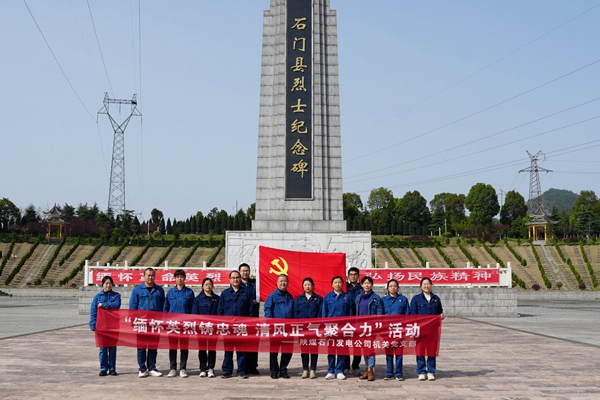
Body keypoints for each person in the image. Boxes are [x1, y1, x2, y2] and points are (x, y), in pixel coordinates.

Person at [129, 267, 165, 378]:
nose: (150, 277)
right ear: (144, 276)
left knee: (153, 346)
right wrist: (133, 321)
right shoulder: (137, 290)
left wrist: (163, 321)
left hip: (155, 323)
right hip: (141, 322)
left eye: (152, 275)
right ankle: (142, 368)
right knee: (141, 346)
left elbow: (163, 307)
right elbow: (133, 306)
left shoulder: (159, 290)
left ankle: (152, 367)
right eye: (148, 275)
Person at [217, 270, 253, 379]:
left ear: (240, 279)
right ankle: (227, 370)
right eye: (233, 278)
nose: (235, 280)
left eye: (237, 277)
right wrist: (221, 324)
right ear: (230, 280)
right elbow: (220, 310)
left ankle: (241, 370)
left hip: (241, 326)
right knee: (228, 350)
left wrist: (249, 323)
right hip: (228, 327)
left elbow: (250, 310)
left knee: (241, 350)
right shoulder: (225, 293)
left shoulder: (246, 292)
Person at [409, 277, 445, 381]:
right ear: (421, 286)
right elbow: (412, 313)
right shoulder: (416, 299)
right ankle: (421, 371)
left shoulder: (436, 298)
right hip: (420, 329)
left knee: (431, 351)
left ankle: (431, 371)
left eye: (428, 284)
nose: (426, 286)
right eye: (424, 284)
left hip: (433, 330)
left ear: (431, 285)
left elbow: (440, 312)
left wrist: (441, 316)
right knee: (420, 351)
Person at [163, 269, 195, 378]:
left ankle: (183, 368)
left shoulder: (189, 292)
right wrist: (165, 321)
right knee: (172, 347)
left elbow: (192, 309)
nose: (179, 279)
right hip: (172, 324)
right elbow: (166, 308)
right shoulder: (170, 292)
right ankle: (172, 368)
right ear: (175, 279)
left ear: (184, 278)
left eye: (181, 277)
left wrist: (191, 322)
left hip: (185, 324)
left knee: (184, 347)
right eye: (177, 277)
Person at [89, 275, 121, 376]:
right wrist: (92, 324)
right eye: (106, 283)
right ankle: (103, 368)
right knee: (103, 348)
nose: (108, 285)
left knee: (112, 348)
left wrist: (104, 305)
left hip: (113, 325)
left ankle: (112, 368)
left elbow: (116, 305)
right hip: (101, 326)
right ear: (102, 284)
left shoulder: (116, 296)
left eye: (110, 283)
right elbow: (93, 311)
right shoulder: (97, 297)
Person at [322, 275, 352, 380]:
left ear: (342, 284)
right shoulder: (327, 297)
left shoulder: (347, 297)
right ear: (332, 284)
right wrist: (324, 327)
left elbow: (350, 313)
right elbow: (324, 313)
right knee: (331, 350)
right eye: (335, 282)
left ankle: (340, 370)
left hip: (343, 327)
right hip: (331, 327)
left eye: (339, 282)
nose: (337, 284)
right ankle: (330, 371)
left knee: (341, 349)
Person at [264, 274, 294, 379]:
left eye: (285, 281)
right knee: (274, 351)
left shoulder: (290, 297)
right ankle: (274, 371)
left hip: (288, 329)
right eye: (281, 281)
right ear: (277, 283)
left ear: (288, 283)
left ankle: (283, 370)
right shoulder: (272, 296)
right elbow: (268, 310)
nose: (283, 283)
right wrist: (271, 324)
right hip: (276, 328)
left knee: (288, 350)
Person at [354, 276, 383, 381]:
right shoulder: (358, 298)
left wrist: (376, 325)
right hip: (361, 327)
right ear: (362, 285)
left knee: (370, 349)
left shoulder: (376, 298)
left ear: (372, 285)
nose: (367, 285)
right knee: (364, 349)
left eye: (369, 283)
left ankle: (371, 370)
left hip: (371, 327)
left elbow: (379, 313)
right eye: (365, 283)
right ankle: (366, 369)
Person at [381, 279, 409, 381]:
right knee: (388, 353)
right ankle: (389, 373)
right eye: (391, 286)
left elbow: (407, 315)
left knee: (399, 353)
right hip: (387, 330)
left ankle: (399, 373)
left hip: (399, 330)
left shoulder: (403, 299)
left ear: (398, 287)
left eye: (395, 286)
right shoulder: (383, 300)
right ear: (387, 288)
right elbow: (380, 315)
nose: (393, 288)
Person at [294, 277, 322, 379]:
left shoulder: (318, 298)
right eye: (305, 285)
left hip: (314, 328)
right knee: (304, 349)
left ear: (313, 286)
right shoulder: (299, 299)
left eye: (309, 284)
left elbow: (320, 312)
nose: (307, 286)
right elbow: (296, 312)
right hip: (303, 328)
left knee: (314, 349)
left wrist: (317, 324)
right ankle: (305, 369)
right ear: (303, 286)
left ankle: (313, 369)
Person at [192, 277, 220, 378]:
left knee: (212, 349)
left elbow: (219, 313)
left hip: (213, 328)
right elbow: (194, 314)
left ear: (212, 286)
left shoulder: (217, 299)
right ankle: (203, 368)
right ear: (202, 286)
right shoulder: (198, 299)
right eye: (206, 284)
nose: (208, 286)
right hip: (202, 328)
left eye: (210, 284)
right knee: (202, 349)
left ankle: (211, 368)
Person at [239, 262, 260, 375]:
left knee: (253, 343)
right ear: (239, 272)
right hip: (242, 319)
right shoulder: (238, 285)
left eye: (247, 271)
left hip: (254, 318)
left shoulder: (255, 284)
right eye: (243, 271)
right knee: (242, 344)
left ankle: (252, 367)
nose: (245, 273)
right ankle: (243, 367)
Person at [345, 266, 362, 376]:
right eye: (351, 275)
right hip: (347, 319)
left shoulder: (362, 288)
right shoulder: (345, 288)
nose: (353, 276)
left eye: (355, 274)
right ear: (348, 276)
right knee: (346, 344)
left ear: (358, 276)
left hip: (359, 320)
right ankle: (346, 366)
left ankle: (355, 366)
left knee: (358, 344)